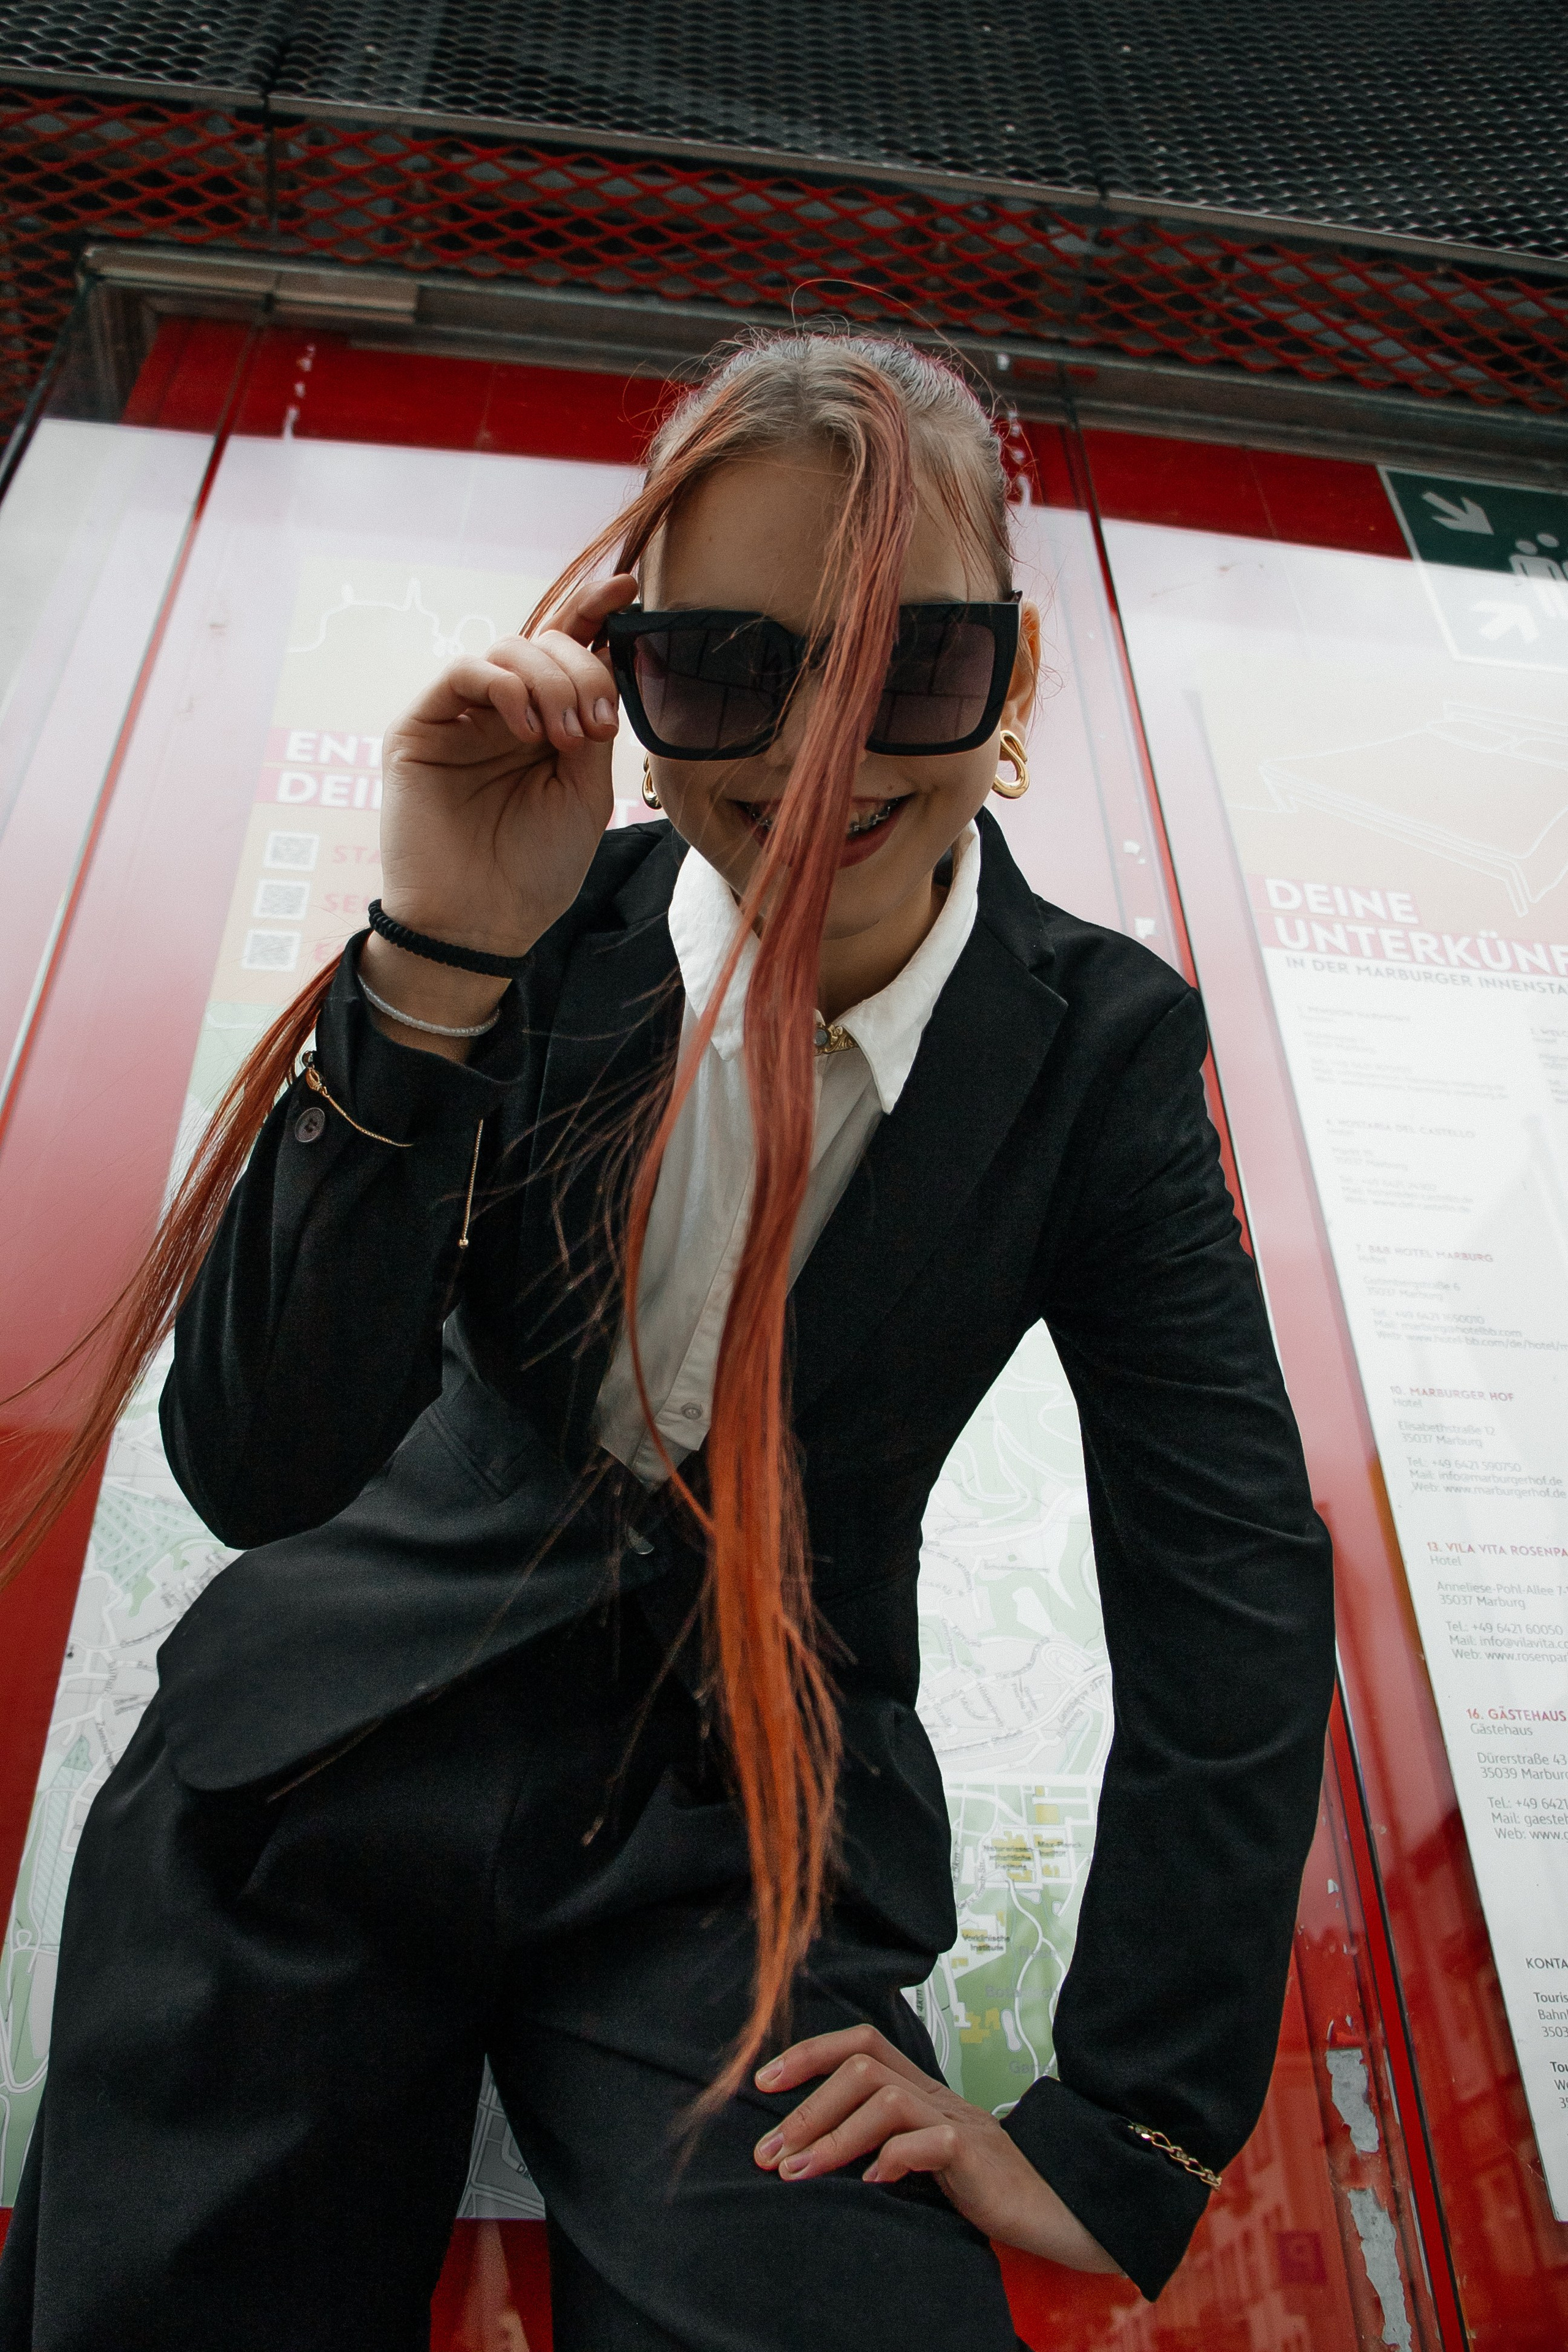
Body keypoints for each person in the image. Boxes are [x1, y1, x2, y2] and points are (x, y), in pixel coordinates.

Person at [0, 334, 1334, 2352]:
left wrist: (1124, 2118)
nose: (818, 760)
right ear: (628, 683)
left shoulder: (1101, 1052)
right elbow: (258, 1465)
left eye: (914, 665)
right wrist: (434, 964)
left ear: (1016, 686)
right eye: (728, 665)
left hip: (748, 1838)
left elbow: (1226, 1559)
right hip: (326, 1764)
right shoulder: (539, 929)